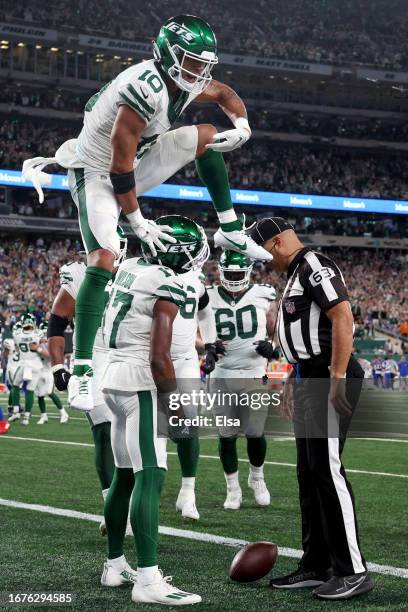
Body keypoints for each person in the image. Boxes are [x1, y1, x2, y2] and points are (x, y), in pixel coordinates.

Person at [22, 14, 272, 412]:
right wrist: (137, 223)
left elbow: (224, 93)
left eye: (202, 63)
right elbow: (120, 170)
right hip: (97, 174)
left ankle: (230, 229)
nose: (199, 71)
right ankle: (82, 368)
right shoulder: (145, 88)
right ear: (167, 55)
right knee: (103, 258)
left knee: (208, 137)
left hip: (133, 163)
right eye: (191, 62)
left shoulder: (182, 80)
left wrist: (242, 125)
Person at [249, 217, 374, 601]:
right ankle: (316, 563)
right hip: (308, 375)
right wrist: (292, 378)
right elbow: (301, 336)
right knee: (309, 470)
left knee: (327, 470)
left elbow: (342, 316)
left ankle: (352, 571)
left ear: (280, 239)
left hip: (328, 375)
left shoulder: (314, 265)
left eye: (267, 250)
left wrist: (335, 376)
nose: (267, 260)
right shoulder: (294, 275)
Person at [101, 215, 205, 605]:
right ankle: (147, 580)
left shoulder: (129, 267)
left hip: (113, 377)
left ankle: (115, 566)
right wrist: (174, 404)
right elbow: (160, 357)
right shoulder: (166, 281)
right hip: (142, 382)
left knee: (124, 475)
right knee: (151, 475)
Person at [47, 231, 127, 534]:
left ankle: (128, 499)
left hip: (128, 356)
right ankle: (112, 506)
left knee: (132, 438)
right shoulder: (79, 274)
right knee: (104, 431)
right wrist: (57, 366)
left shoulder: (138, 275)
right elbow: (57, 322)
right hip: (90, 358)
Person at [206, 250, 277, 510]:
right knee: (226, 435)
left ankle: (257, 478)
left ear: (248, 272)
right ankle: (232, 488)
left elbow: (275, 329)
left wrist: (272, 347)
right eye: (230, 273)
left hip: (254, 373)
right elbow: (192, 331)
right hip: (222, 375)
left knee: (255, 433)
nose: (235, 277)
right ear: (221, 272)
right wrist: (206, 347)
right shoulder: (207, 296)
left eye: (239, 273)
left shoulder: (263, 294)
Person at [35, 321, 69, 425]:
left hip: (50, 369)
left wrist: (39, 348)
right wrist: (38, 343)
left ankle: (63, 413)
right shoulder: (38, 340)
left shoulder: (52, 341)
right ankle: (43, 416)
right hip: (39, 369)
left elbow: (49, 355)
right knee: (40, 395)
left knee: (49, 392)